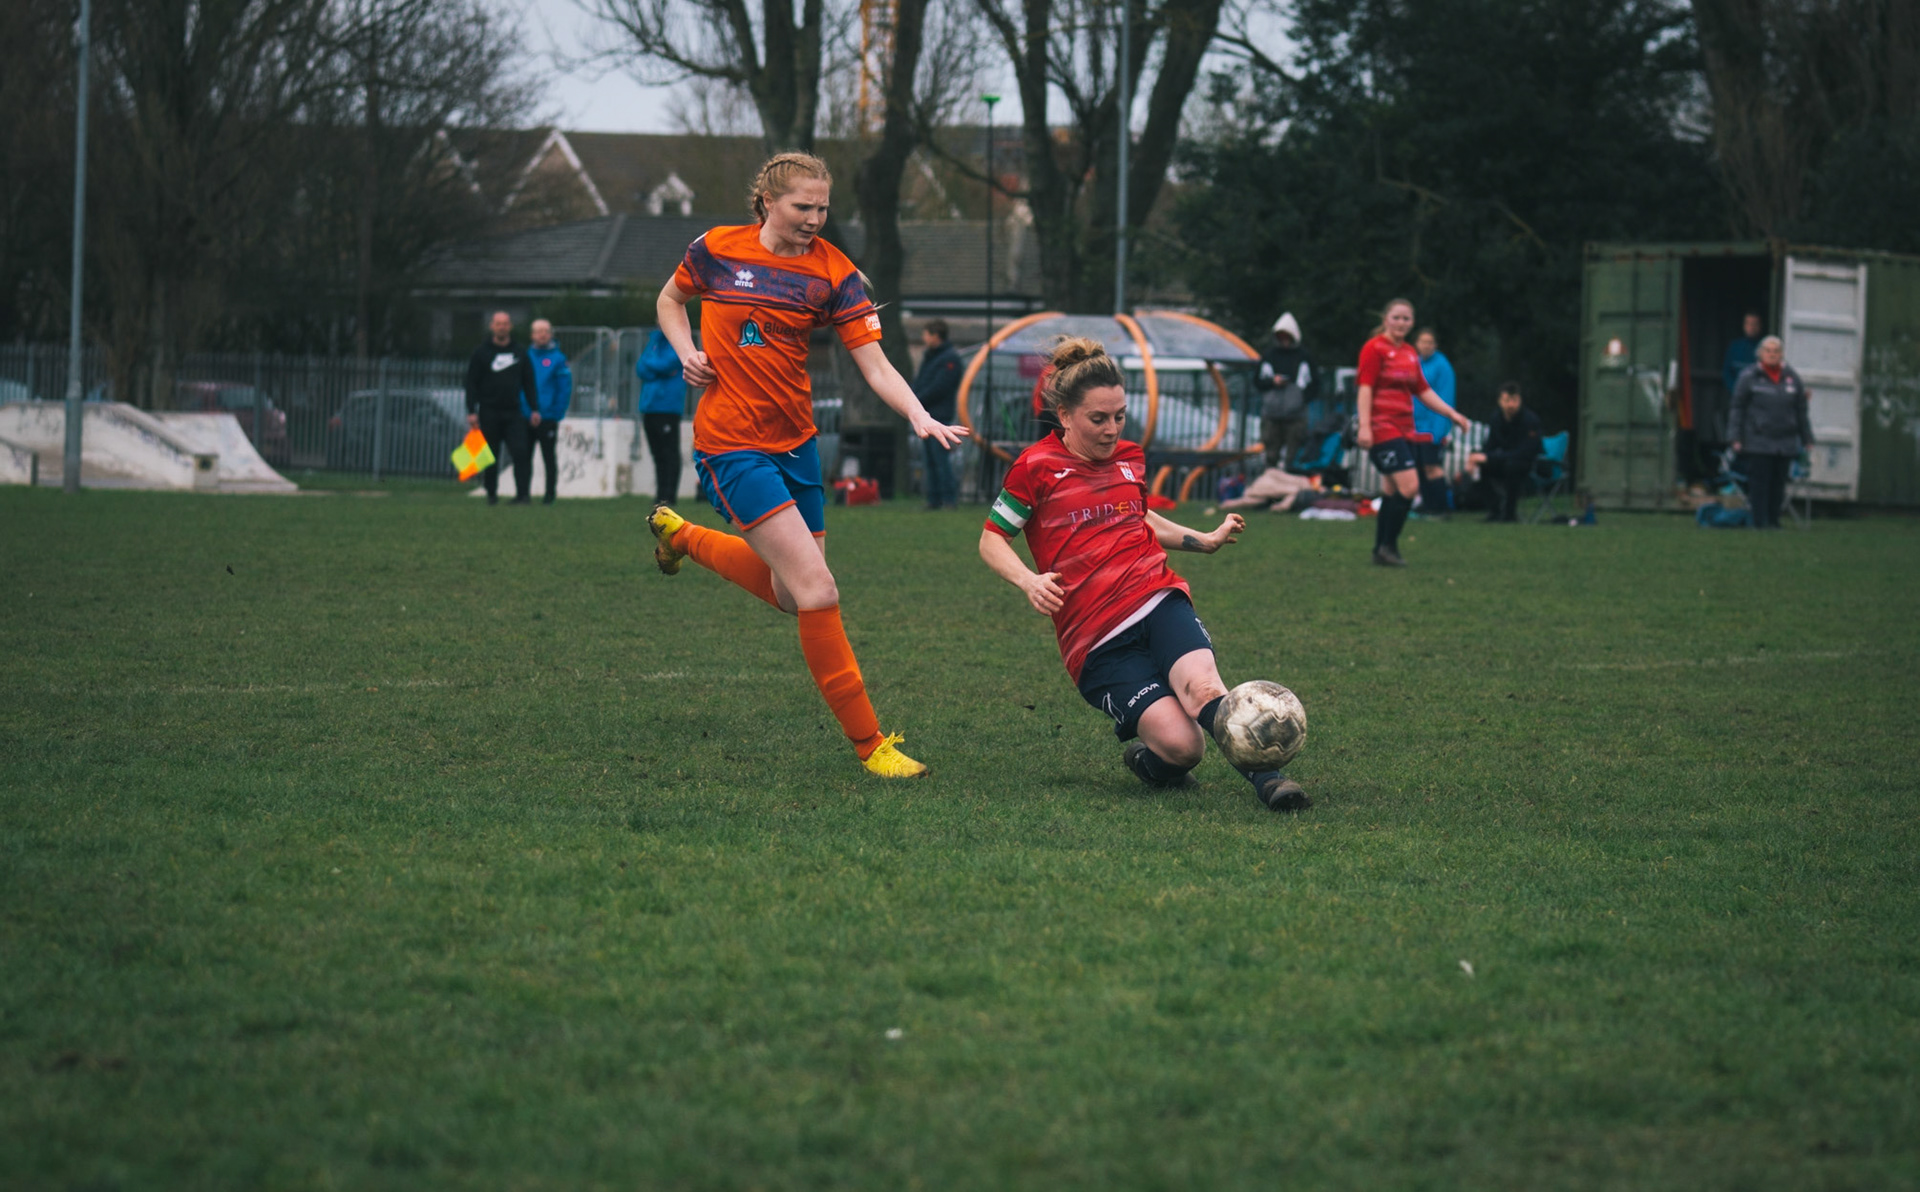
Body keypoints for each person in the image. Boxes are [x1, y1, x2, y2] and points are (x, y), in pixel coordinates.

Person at [646, 152, 969, 779]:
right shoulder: (715, 248)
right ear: (767, 200)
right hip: (730, 443)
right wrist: (686, 351)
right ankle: (872, 746)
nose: (815, 219)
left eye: (823, 208)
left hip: (795, 443)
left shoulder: (833, 273)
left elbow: (874, 364)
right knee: (820, 590)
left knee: (792, 596)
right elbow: (668, 300)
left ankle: (680, 535)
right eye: (803, 207)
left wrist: (918, 414)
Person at [977, 336, 1310, 813]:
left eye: (1119, 416)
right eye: (1098, 419)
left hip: (1157, 598)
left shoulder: (1130, 458)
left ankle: (1271, 782)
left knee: (1204, 690)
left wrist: (1203, 539)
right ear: (1065, 415)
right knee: (1184, 747)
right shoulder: (1034, 469)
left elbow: (1139, 516)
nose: (1112, 429)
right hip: (1095, 640)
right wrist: (1029, 580)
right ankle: (1152, 764)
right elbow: (992, 539)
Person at [1355, 298, 1473, 565]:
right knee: (1410, 487)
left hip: (1405, 429)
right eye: (1396, 317)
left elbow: (1422, 390)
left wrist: (1452, 413)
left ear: (1412, 323)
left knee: (1390, 489)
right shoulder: (1374, 348)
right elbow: (1365, 388)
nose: (1401, 323)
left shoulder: (1409, 352)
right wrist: (1364, 426)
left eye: (1406, 319)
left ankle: (1380, 551)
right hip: (1382, 427)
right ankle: (1389, 547)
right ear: (1385, 319)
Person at [1730, 335, 1813, 530]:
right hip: (1758, 440)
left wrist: (1807, 438)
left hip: (1785, 441)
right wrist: (1735, 437)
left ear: (1782, 354)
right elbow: (1737, 408)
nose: (1772, 355)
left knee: (1779, 483)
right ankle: (1759, 521)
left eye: (1776, 351)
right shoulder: (1748, 376)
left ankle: (1774, 520)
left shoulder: (1792, 377)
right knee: (1760, 483)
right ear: (1760, 354)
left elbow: (1801, 410)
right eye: (1768, 351)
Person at [464, 310, 538, 505]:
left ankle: (523, 495)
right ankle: (491, 494)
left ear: (510, 326)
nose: (502, 327)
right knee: (490, 455)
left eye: (505, 323)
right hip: (489, 411)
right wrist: (471, 410)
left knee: (521, 452)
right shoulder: (481, 353)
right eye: (498, 323)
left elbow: (528, 382)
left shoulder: (520, 352)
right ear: (492, 326)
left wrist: (534, 408)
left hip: (514, 412)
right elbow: (471, 383)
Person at [1466, 382, 1542, 522]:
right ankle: (1494, 510)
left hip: (1525, 465)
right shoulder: (1496, 418)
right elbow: (1490, 445)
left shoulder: (1530, 420)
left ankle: (1509, 514)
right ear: (1500, 401)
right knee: (1479, 468)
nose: (1511, 405)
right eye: (1507, 401)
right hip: (1503, 461)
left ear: (1520, 400)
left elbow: (1526, 452)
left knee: (1512, 467)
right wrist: (1477, 457)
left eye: (1514, 400)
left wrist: (1489, 457)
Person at [911, 319, 964, 509]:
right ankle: (934, 498)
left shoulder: (948, 359)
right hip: (927, 414)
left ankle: (948, 498)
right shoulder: (933, 356)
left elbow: (940, 386)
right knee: (931, 459)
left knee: (939, 458)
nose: (924, 338)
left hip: (939, 415)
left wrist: (917, 400)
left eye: (926, 334)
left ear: (935, 335)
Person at [523, 319, 572, 504]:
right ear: (532, 335)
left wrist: (556, 412)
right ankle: (523, 494)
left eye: (545, 331)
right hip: (526, 416)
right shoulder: (525, 357)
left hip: (548, 416)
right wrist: (525, 411)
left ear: (550, 334)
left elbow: (564, 388)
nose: (542, 335)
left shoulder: (558, 359)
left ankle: (549, 495)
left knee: (548, 457)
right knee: (523, 457)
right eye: (538, 331)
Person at [1255, 313, 1313, 468]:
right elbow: (1257, 381)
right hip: (1272, 415)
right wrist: (1272, 382)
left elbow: (1315, 383)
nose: (1284, 340)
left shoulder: (1303, 356)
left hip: (1296, 416)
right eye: (1281, 336)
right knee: (1270, 455)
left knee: (1293, 457)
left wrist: (1300, 399)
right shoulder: (1269, 355)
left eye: (1287, 336)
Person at [636, 328, 688, 502]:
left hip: (668, 406)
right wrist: (656, 367)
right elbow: (640, 368)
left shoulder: (678, 340)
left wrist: (653, 365)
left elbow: (667, 364)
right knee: (657, 453)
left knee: (669, 452)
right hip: (649, 406)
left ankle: (669, 495)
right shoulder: (653, 341)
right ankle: (660, 494)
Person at [1411, 327, 1457, 517]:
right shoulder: (1415, 362)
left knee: (1432, 467)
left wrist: (1439, 430)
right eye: (1423, 342)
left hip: (1432, 427)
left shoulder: (1442, 366)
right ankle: (1428, 507)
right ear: (1417, 344)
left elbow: (1445, 397)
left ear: (1435, 345)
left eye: (1430, 342)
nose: (1426, 346)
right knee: (1420, 468)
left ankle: (1441, 508)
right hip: (1415, 426)